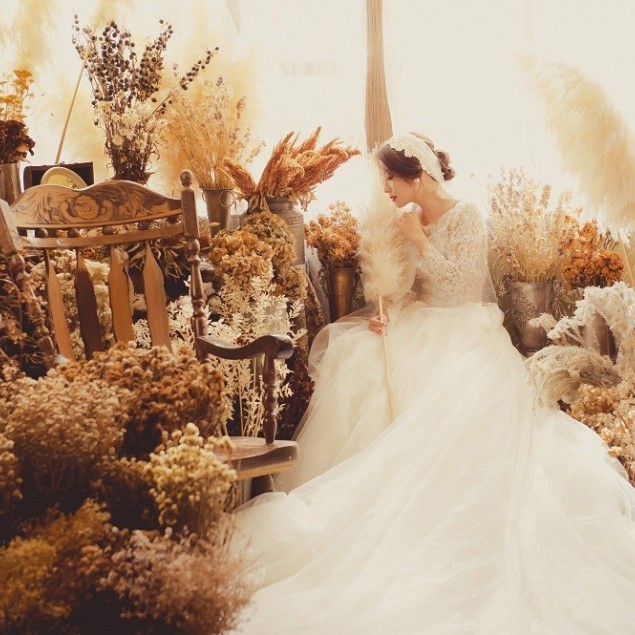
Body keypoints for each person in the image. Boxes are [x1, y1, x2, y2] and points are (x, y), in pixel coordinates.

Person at [228, 132, 635, 634]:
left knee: (450, 409)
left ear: (417, 176)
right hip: (421, 322)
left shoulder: (467, 216)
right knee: (357, 360)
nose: (387, 189)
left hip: (465, 332)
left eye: (391, 179)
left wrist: (419, 237)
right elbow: (414, 286)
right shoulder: (406, 216)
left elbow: (459, 286)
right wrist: (390, 309)